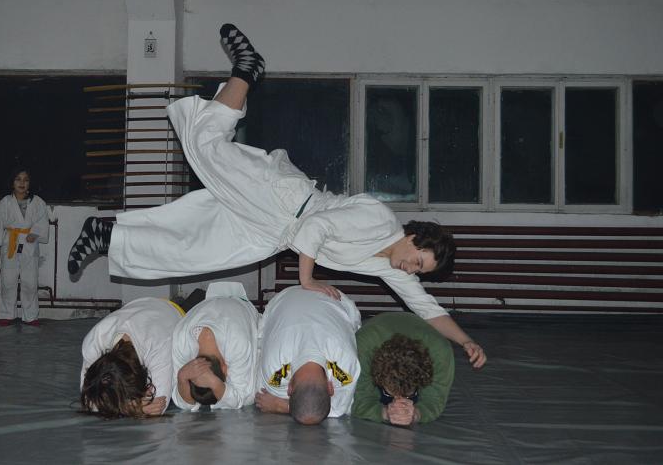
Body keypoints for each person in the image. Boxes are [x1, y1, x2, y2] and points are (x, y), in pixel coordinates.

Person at [66, 23, 486, 368]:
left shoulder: (392, 267)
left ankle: (106, 235)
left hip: (273, 234)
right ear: (413, 237)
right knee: (204, 146)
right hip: (282, 200)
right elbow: (316, 228)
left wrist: (465, 340)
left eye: (418, 270)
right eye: (417, 260)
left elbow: (426, 308)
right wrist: (308, 280)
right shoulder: (378, 219)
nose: (411, 269)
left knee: (195, 250)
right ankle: (247, 70)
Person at [255, 286, 361, 424]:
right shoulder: (274, 367)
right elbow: (341, 408)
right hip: (318, 296)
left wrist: (284, 406)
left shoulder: (345, 362)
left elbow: (336, 407)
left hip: (329, 296)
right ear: (331, 388)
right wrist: (280, 405)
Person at [80, 297, 184, 419]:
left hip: (174, 313)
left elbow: (158, 405)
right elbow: (88, 400)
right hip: (140, 305)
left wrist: (133, 408)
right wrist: (133, 408)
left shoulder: (158, 347)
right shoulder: (94, 342)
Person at [352, 312, 454, 427]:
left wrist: (415, 414)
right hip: (371, 335)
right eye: (392, 392)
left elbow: (434, 399)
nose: (398, 399)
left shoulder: (440, 352)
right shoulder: (362, 349)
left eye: (406, 395)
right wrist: (385, 413)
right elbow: (356, 400)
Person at [171, 281, 260, 411]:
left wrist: (215, 383)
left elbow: (244, 397)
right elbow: (182, 403)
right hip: (211, 304)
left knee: (256, 391)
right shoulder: (181, 339)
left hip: (242, 305)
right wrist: (182, 377)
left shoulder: (237, 343)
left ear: (224, 368)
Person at [0, 168, 49, 326]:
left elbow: (42, 222)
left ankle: (31, 316)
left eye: (26, 180)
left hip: (29, 244)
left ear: (30, 183)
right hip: (10, 244)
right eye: (18, 179)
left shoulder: (37, 202)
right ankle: (6, 314)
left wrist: (35, 233)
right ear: (12, 182)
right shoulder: (5, 202)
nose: (22, 183)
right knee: (8, 281)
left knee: (30, 282)